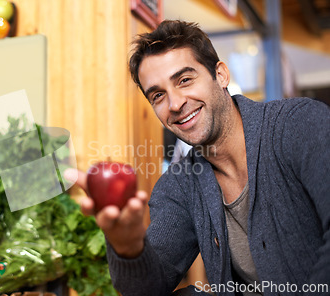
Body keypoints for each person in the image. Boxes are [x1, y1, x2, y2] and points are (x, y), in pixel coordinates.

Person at [66, 20, 330, 295]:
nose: (176, 104)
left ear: (221, 75)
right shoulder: (178, 186)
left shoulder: (299, 124)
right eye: (158, 95)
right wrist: (128, 248)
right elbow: (147, 289)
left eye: (184, 80)